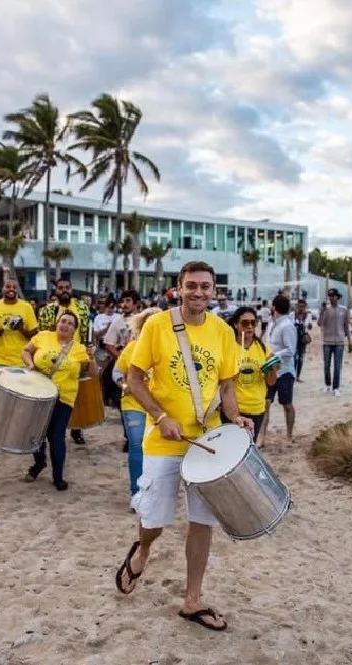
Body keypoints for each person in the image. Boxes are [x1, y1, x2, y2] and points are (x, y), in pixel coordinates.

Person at [114, 260, 252, 632]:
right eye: (192, 285)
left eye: (206, 286)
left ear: (213, 290)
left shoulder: (223, 331)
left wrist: (235, 418)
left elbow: (226, 387)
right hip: (163, 440)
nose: (199, 292)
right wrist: (160, 417)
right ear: (179, 287)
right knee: (154, 521)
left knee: (202, 522)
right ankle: (143, 549)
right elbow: (134, 378)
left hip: (205, 443)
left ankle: (192, 600)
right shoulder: (158, 324)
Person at [21, 311, 94, 491]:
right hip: (39, 393)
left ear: (75, 329)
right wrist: (30, 364)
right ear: (57, 322)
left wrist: (91, 357)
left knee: (57, 436)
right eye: (63, 321)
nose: (65, 325)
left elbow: (93, 374)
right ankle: (39, 464)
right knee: (36, 433)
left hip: (64, 397)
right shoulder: (43, 336)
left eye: (70, 323)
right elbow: (26, 350)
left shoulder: (79, 349)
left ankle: (58, 476)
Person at [111, 307, 162, 502]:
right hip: (133, 404)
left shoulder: (168, 347)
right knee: (136, 445)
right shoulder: (133, 347)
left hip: (160, 406)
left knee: (155, 449)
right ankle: (137, 493)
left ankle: (153, 487)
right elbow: (116, 373)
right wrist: (125, 385)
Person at [38, 280, 92, 445]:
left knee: (76, 395)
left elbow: (85, 333)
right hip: (52, 359)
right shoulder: (47, 310)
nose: (64, 291)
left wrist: (87, 353)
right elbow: (43, 333)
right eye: (60, 288)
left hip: (76, 356)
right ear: (56, 290)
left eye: (67, 288)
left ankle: (77, 429)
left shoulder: (82, 309)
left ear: (71, 289)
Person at [226, 306, 277, 447]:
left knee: (248, 447)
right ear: (236, 325)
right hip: (235, 409)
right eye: (244, 323)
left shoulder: (263, 348)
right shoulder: (228, 347)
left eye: (253, 323)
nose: (249, 327)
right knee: (232, 448)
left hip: (256, 408)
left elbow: (271, 382)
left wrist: (271, 370)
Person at [0, 278, 38, 367]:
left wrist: (21, 329)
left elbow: (35, 334)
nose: (11, 289)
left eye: (14, 287)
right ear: (2, 288)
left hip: (22, 360)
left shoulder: (27, 307)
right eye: (8, 287)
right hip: (0, 360)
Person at [264, 294, 298, 442]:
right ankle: (262, 437)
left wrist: (273, 355)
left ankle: (289, 435)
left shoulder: (287, 326)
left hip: (284, 371)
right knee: (265, 403)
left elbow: (291, 350)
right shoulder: (272, 324)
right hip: (269, 370)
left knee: (287, 404)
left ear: (274, 307)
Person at [317, 289, 352, 397]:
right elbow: (319, 323)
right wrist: (322, 312)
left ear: (337, 296)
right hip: (327, 341)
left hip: (340, 342)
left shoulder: (344, 310)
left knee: (337, 366)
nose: (331, 298)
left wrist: (350, 341)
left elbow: (346, 326)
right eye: (329, 296)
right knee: (326, 365)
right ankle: (327, 384)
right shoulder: (325, 310)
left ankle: (336, 387)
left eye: (333, 296)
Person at [288, 298, 315, 382]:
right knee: (294, 357)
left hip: (302, 340)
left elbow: (310, 327)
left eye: (303, 307)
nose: (301, 308)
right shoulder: (292, 315)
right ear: (296, 306)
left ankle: (298, 375)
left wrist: (310, 325)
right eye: (299, 306)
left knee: (300, 358)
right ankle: (292, 374)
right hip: (293, 339)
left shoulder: (308, 315)